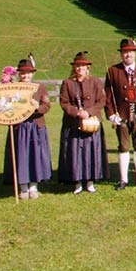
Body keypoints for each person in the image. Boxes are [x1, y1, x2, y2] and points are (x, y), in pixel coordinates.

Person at [103, 38, 136, 191]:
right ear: (121, 54)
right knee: (123, 147)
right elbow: (107, 96)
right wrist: (111, 115)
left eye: (130, 52)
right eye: (125, 52)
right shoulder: (113, 71)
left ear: (135, 53)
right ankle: (123, 179)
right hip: (122, 115)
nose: (127, 55)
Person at [58, 51, 108, 194]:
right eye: (77, 66)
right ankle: (77, 182)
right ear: (74, 67)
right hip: (73, 124)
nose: (80, 68)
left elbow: (101, 101)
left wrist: (89, 112)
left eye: (83, 66)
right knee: (75, 153)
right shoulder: (67, 83)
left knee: (91, 152)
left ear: (88, 68)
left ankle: (90, 181)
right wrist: (77, 112)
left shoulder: (95, 82)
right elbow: (64, 102)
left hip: (92, 123)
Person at [3, 56, 51, 200]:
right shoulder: (13, 88)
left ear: (32, 73)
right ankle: (23, 187)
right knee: (21, 156)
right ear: (18, 74)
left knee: (35, 156)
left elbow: (47, 105)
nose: (26, 75)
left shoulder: (40, 87)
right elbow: (6, 107)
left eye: (28, 73)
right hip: (20, 127)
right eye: (23, 73)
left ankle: (33, 187)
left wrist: (38, 107)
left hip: (36, 126)